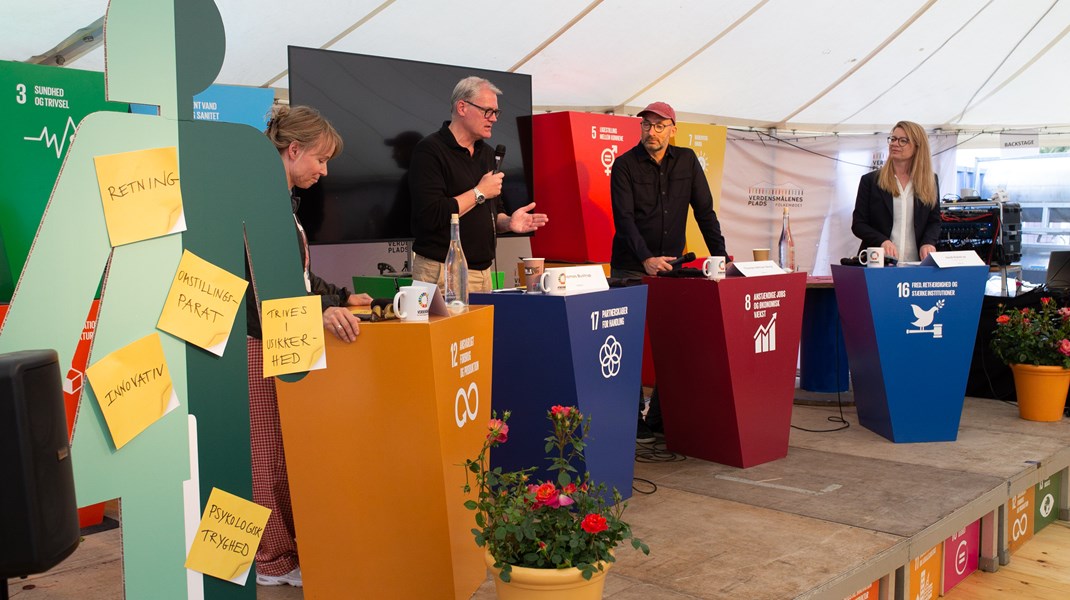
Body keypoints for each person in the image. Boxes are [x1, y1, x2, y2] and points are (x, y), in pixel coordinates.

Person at [247, 104, 371, 587]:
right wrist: (317, 311)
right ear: (293, 149)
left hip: (281, 341)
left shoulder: (278, 201)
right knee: (266, 457)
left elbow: (293, 278)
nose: (324, 170)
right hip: (257, 345)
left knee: (284, 451)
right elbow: (255, 289)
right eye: (319, 159)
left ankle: (287, 551)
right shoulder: (254, 203)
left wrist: (338, 296)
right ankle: (271, 561)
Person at [609, 101, 728, 442]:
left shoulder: (688, 161)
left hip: (673, 270)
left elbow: (705, 213)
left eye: (660, 126)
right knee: (626, 345)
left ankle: (661, 415)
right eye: (647, 125)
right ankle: (632, 420)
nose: (652, 131)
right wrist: (645, 258)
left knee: (674, 343)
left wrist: (721, 257)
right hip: (629, 268)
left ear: (673, 130)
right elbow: (624, 220)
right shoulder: (624, 166)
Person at [409, 76, 548, 294]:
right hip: (443, 272)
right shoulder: (430, 151)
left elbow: (494, 212)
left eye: (496, 113)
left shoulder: (488, 154)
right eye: (488, 111)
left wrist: (509, 222)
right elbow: (431, 214)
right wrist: (479, 192)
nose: (493, 119)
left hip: (483, 273)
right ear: (462, 107)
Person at [852, 120, 941, 262]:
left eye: (903, 141)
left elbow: (934, 221)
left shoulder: (930, 181)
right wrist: (882, 241)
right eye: (893, 139)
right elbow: (858, 224)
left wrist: (928, 242)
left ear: (918, 146)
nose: (894, 144)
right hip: (879, 263)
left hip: (916, 265)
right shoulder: (870, 181)